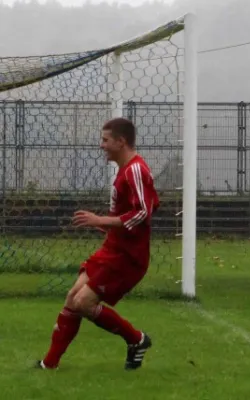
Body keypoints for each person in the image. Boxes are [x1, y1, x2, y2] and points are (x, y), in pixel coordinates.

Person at [36, 117, 160, 370]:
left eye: (105, 140)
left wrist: (100, 219)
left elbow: (143, 213)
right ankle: (49, 364)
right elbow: (123, 216)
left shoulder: (136, 169)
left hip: (128, 256)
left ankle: (136, 339)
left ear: (121, 141)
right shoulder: (124, 171)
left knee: (83, 303)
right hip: (113, 249)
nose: (101, 145)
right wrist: (98, 223)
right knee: (73, 298)